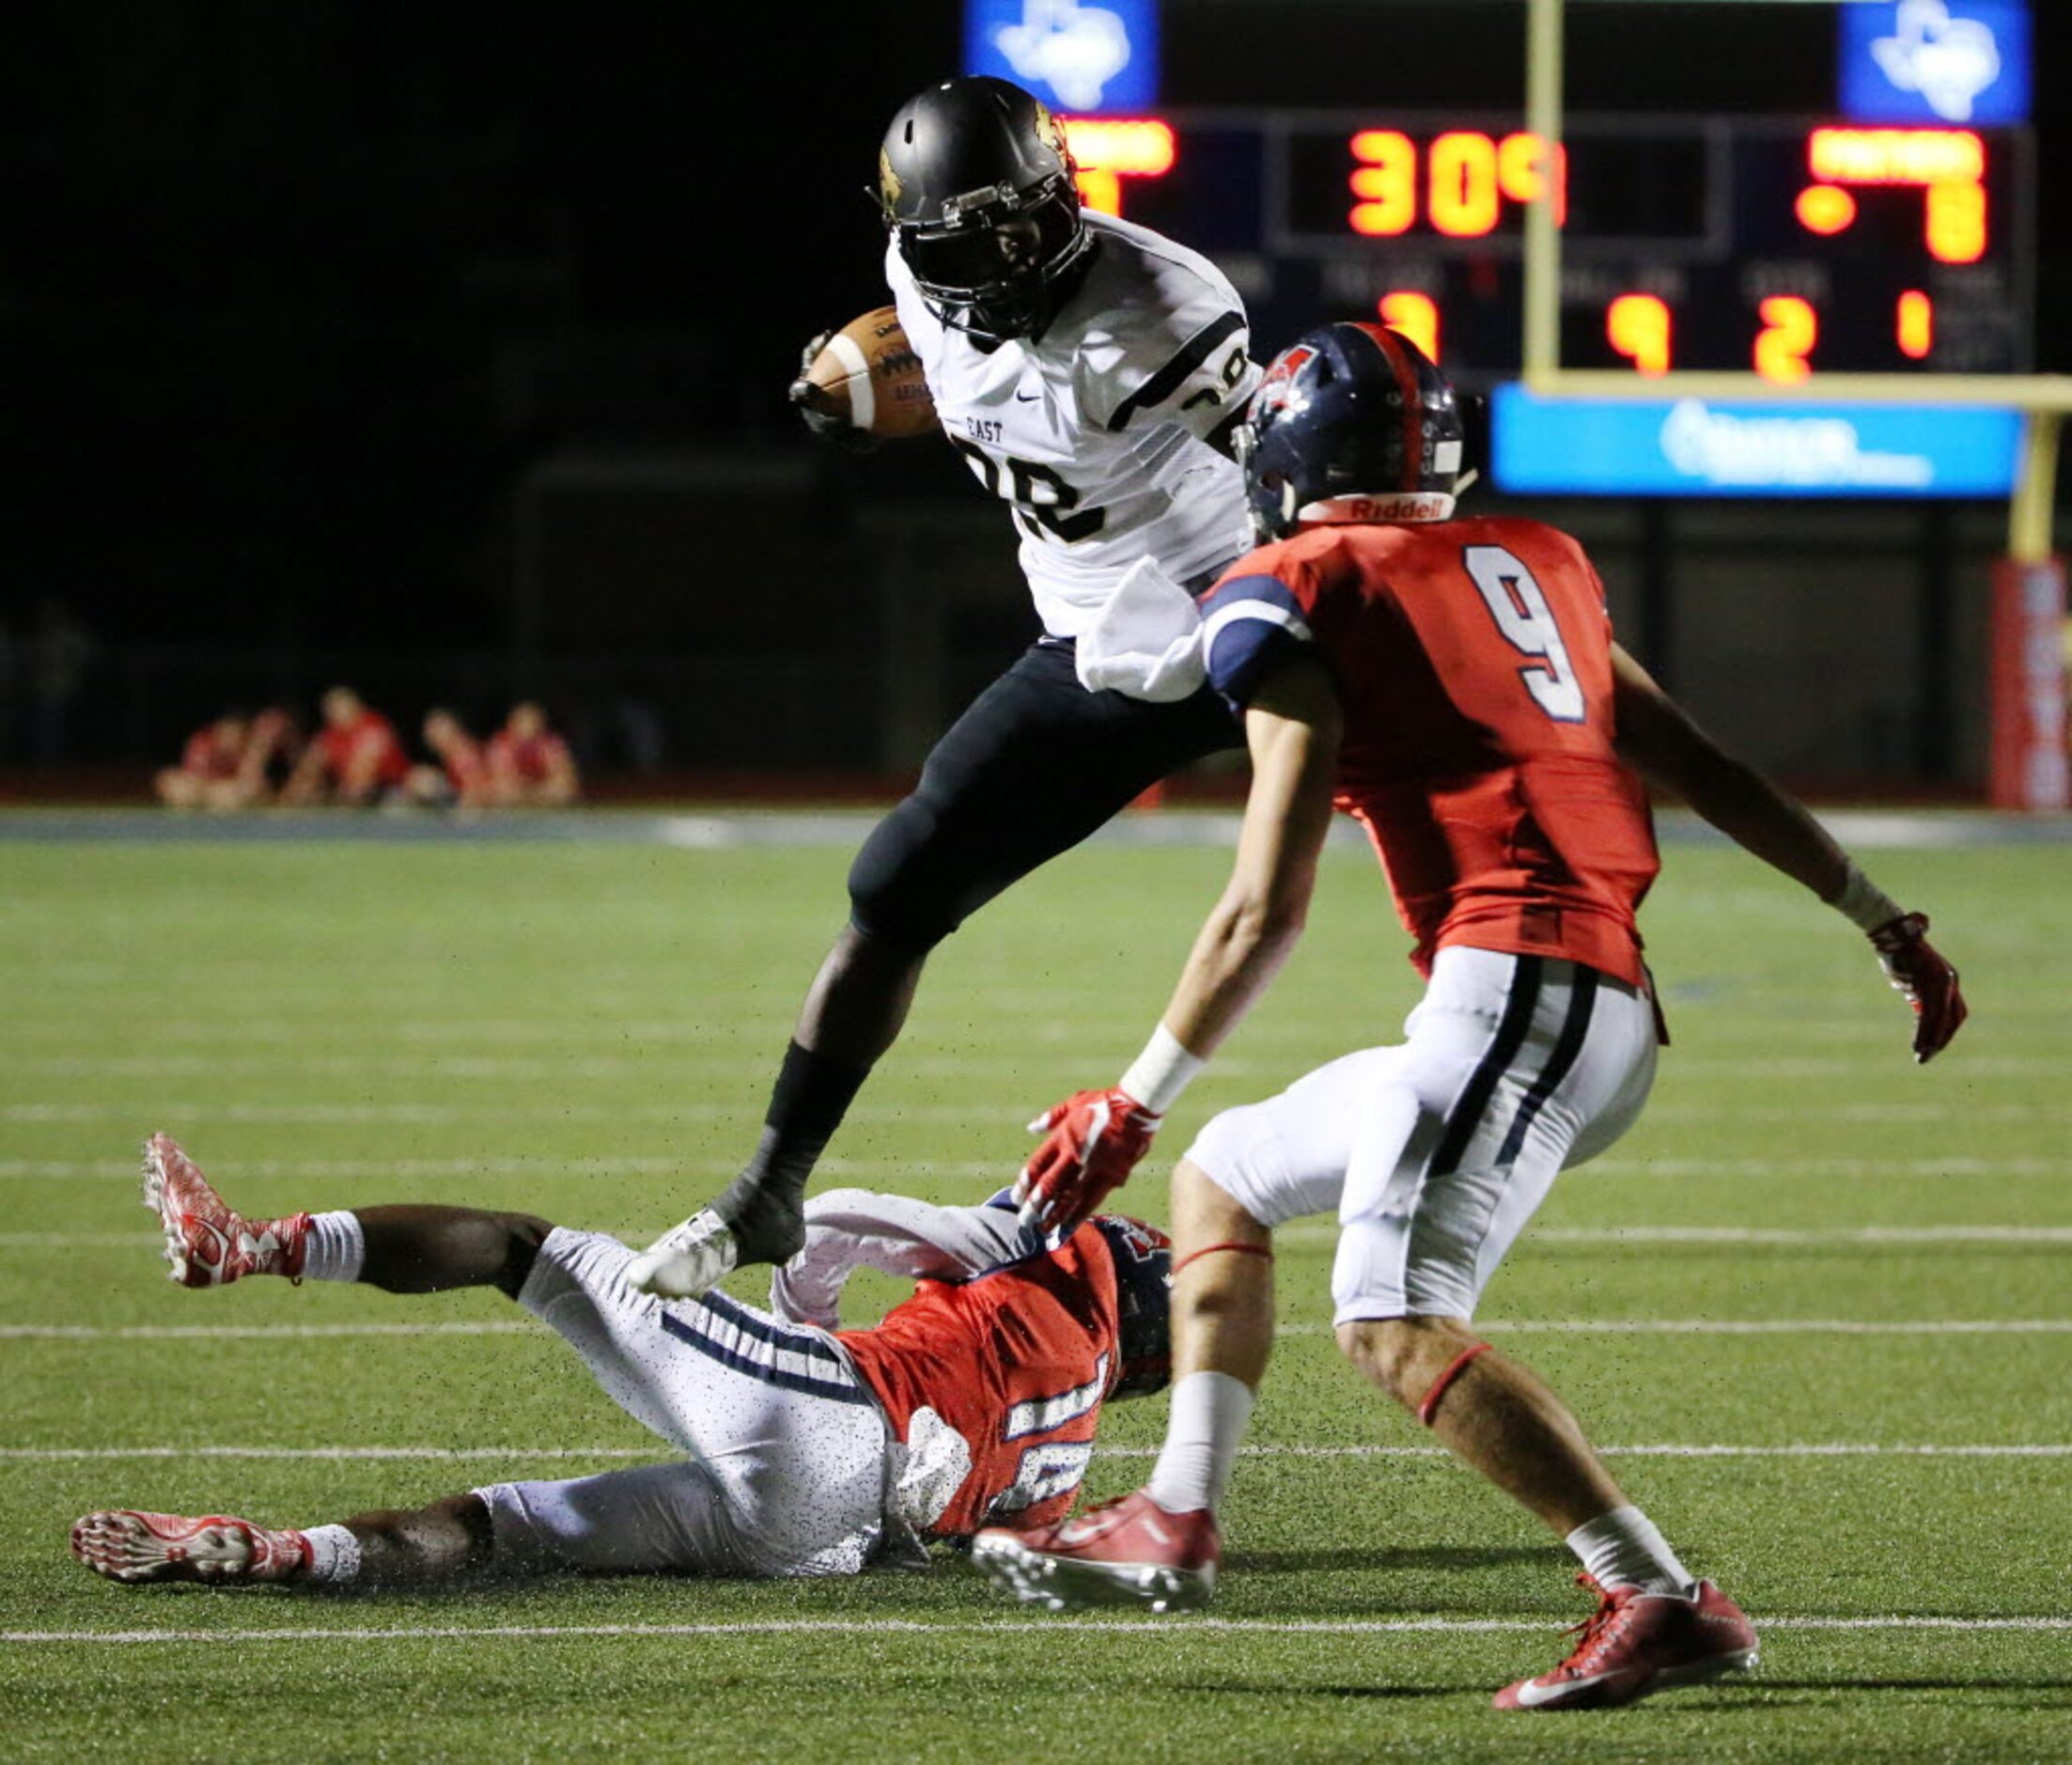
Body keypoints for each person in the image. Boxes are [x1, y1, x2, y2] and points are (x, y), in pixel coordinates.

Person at [969, 323, 1969, 1710]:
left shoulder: (1294, 581)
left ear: (1286, 453)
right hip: (1567, 1000)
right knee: (1230, 1172)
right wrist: (1880, 917)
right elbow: (1703, 762)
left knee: (1388, 1316)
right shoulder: (1541, 563)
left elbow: (1265, 902)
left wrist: (1129, 1096)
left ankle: (1657, 1593)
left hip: (1525, 983)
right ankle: (1176, 1516)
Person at [630, 73, 1263, 1299]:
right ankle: (768, 1185)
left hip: (1242, 624)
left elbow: (1295, 475)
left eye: (1029, 213)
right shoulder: (920, 278)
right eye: (980, 230)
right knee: (895, 881)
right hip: (1096, 646)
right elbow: (958, 371)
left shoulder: (1164, 312)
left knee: (1438, 829)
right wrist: (864, 398)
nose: (1016, 248)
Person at [71, 1135, 1171, 1589]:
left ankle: (253, 1246)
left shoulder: (1055, 1275)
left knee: (527, 1250)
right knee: (515, 1522)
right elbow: (985, 1539)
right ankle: (280, 1555)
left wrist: (807, 1321)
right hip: (824, 1536)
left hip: (829, 1410)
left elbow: (831, 1219)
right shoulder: (1069, 1457)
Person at [279, 686, 410, 806]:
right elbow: (309, 766)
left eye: (339, 707)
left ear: (355, 706)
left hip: (392, 786)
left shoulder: (373, 725)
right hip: (354, 790)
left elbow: (363, 772)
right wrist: (293, 791)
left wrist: (336, 795)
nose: (334, 713)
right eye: (330, 709)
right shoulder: (329, 734)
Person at [485, 700, 581, 805]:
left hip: (540, 790)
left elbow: (566, 778)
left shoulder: (551, 744)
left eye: (534, 723)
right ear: (512, 724)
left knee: (563, 791)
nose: (529, 728)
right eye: (525, 723)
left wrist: (537, 791)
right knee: (504, 792)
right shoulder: (501, 745)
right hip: (518, 791)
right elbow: (503, 778)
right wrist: (526, 789)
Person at [155, 711, 252, 810]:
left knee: (234, 793)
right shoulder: (201, 743)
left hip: (221, 789)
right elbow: (194, 779)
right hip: (200, 789)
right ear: (219, 732)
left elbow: (248, 783)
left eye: (235, 735)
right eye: (228, 734)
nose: (230, 739)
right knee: (176, 786)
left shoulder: (245, 749)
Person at [407, 708, 494, 808]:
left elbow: (479, 793)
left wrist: (444, 796)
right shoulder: (453, 757)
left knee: (423, 782)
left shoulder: (463, 755)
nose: (430, 736)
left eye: (436, 730)